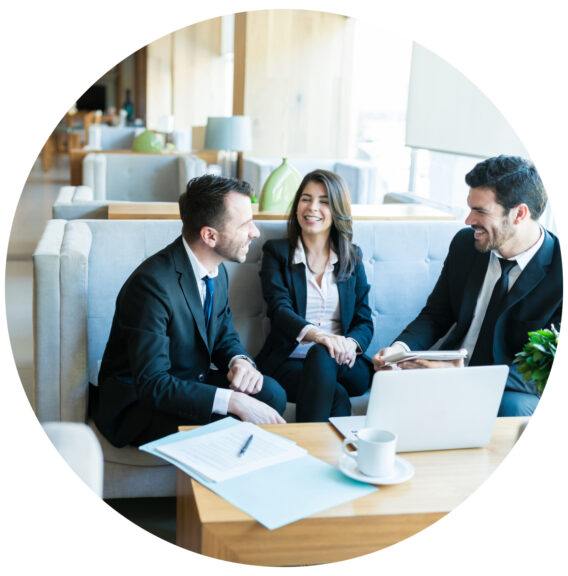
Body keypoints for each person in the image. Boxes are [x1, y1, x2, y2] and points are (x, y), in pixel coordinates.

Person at [90, 174, 286, 447]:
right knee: (240, 417)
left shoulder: (216, 270)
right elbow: (153, 384)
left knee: (271, 394)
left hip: (186, 379)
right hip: (140, 403)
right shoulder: (151, 286)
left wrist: (238, 361)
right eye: (245, 225)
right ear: (209, 236)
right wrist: (234, 401)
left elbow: (223, 334)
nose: (255, 232)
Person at [373, 155, 562, 416]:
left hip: (507, 390)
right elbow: (436, 315)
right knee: (392, 385)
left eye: (480, 211)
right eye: (470, 208)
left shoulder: (559, 271)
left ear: (519, 214)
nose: (468, 220)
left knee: (511, 408)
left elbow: (550, 368)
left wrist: (466, 374)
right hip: (446, 371)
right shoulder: (466, 245)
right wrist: (400, 350)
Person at [256, 169, 375, 421]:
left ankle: (304, 454)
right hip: (289, 361)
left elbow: (364, 320)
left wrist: (349, 345)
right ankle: (334, 455)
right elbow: (279, 310)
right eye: (306, 198)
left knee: (324, 354)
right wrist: (320, 336)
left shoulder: (352, 257)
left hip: (345, 363)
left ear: (338, 211)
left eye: (324, 202)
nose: (312, 208)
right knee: (337, 395)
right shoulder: (277, 252)